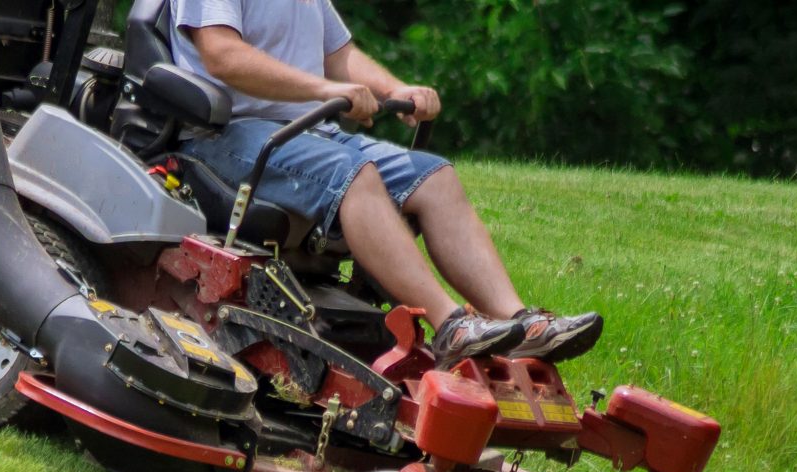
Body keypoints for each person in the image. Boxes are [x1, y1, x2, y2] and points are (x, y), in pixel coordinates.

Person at [167, 0, 603, 367]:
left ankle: (522, 323)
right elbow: (222, 54)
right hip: (229, 134)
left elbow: (339, 54)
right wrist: (324, 90)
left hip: (309, 131)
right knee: (353, 174)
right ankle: (451, 326)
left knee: (434, 177)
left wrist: (396, 88)